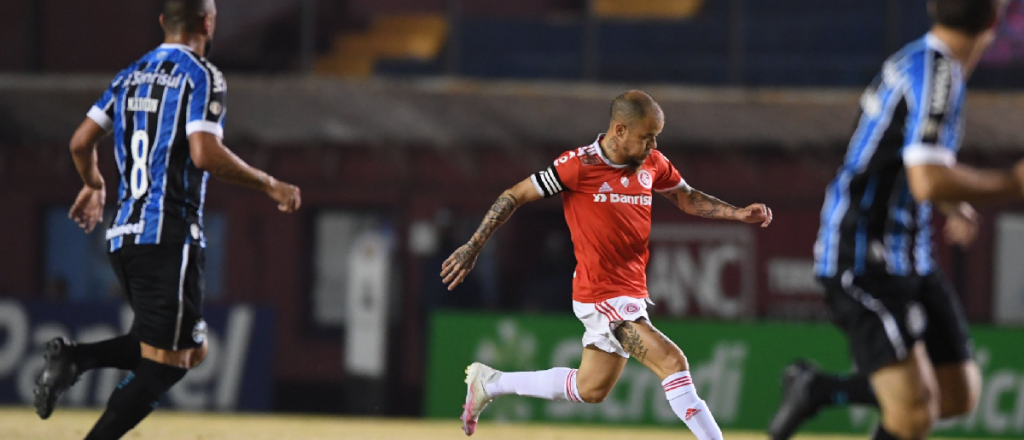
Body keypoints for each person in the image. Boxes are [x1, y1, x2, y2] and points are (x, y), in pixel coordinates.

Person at [34, 1, 301, 438]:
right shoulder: (202, 74)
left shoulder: (129, 75)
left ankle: (74, 359)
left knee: (184, 348)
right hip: (168, 235)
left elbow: (80, 142)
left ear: (163, 23)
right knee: (168, 365)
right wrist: (269, 182)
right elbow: (204, 152)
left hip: (123, 237)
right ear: (208, 23)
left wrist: (94, 184)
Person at [441, 90, 773, 439]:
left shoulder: (653, 163)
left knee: (591, 388)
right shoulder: (578, 166)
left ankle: (491, 383)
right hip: (601, 294)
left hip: (630, 292)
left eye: (656, 136)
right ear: (619, 130)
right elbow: (515, 194)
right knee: (673, 364)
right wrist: (473, 245)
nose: (653, 144)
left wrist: (736, 213)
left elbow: (685, 197)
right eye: (646, 137)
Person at [768, 1, 1023, 439]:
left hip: (909, 255)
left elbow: (887, 154)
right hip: (861, 254)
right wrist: (1012, 182)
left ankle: (818, 389)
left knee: (957, 393)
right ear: (993, 22)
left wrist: (950, 203)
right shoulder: (939, 73)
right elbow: (927, 180)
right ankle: (820, 391)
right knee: (913, 415)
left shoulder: (920, 62)